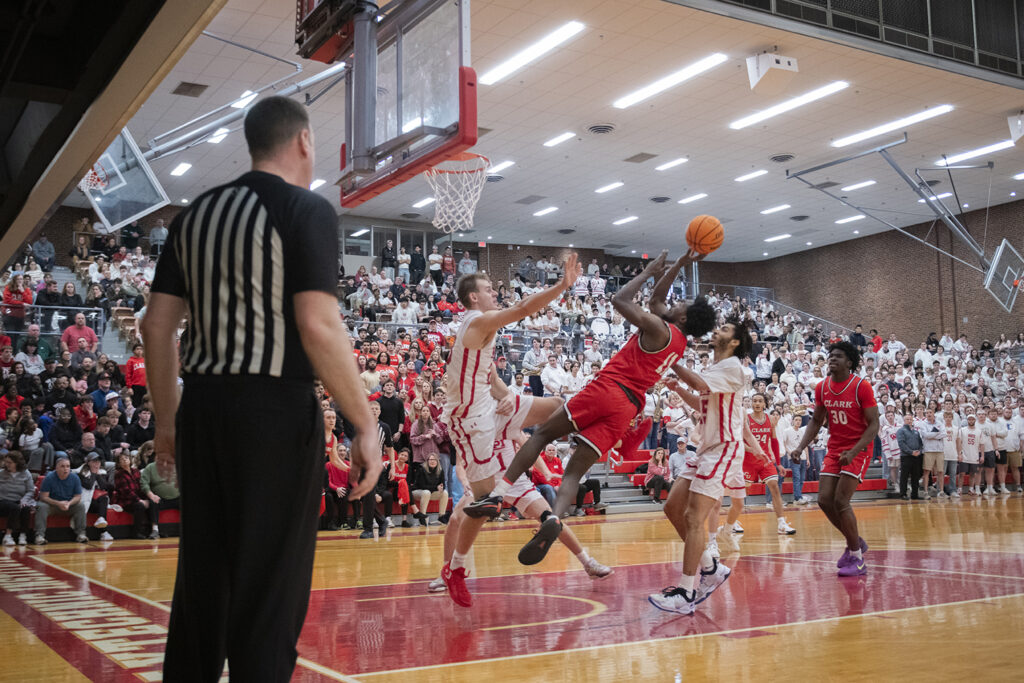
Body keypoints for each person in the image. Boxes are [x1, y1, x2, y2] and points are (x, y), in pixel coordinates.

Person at [143, 96, 382, 682]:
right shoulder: (306, 209)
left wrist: (168, 423)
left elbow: (155, 326)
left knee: (203, 581)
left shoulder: (195, 215)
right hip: (273, 412)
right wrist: (364, 423)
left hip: (202, 409)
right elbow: (318, 325)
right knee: (270, 588)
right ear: (303, 141)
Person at [465, 251, 715, 568]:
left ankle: (497, 494)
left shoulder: (658, 328)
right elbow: (656, 301)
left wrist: (647, 271)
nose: (676, 303)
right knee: (574, 471)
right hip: (627, 408)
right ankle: (554, 518)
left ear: (684, 318)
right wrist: (678, 264)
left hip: (608, 389)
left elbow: (620, 300)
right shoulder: (677, 343)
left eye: (683, 305)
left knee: (541, 435)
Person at [436, 251, 581, 605]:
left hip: (491, 408)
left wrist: (507, 397)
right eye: (488, 289)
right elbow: (523, 309)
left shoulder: (481, 330)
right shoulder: (477, 322)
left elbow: (489, 376)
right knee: (485, 503)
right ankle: (455, 570)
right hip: (470, 421)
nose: (494, 293)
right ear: (474, 297)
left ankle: (568, 445)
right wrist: (562, 286)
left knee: (559, 406)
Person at [429, 372, 612, 602]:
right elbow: (461, 462)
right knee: (456, 520)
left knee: (550, 519)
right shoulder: (465, 421)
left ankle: (588, 562)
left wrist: (546, 473)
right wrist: (465, 483)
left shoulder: (505, 413)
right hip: (483, 481)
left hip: (513, 478)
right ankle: (447, 573)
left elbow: (528, 444)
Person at [648, 317, 754, 615]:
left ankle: (686, 592)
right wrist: (679, 389)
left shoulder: (733, 366)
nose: (717, 329)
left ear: (734, 342)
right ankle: (711, 568)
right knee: (672, 507)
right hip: (707, 448)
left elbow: (698, 383)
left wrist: (671, 359)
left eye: (725, 329)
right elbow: (702, 403)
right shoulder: (716, 368)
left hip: (723, 447)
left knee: (694, 518)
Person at [789, 341, 879, 577]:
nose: (832, 359)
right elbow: (816, 421)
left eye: (838, 356)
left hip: (859, 448)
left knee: (841, 501)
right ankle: (854, 541)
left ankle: (857, 558)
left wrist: (854, 451)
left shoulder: (861, 387)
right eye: (830, 356)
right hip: (836, 447)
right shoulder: (822, 387)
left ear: (849, 362)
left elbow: (874, 425)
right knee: (823, 500)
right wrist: (800, 447)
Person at [733, 393, 797, 535]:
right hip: (748, 461)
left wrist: (778, 463)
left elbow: (774, 441)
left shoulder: (771, 419)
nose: (757, 403)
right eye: (754, 401)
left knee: (774, 487)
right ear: (751, 403)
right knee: (743, 493)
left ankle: (781, 523)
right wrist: (753, 450)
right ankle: (733, 522)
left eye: (760, 401)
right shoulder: (746, 419)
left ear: (765, 404)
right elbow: (739, 441)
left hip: (765, 460)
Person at [35, 455, 87, 544]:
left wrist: (69, 503)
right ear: (56, 468)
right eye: (62, 466)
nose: (65, 469)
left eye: (68, 466)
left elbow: (78, 496)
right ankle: (39, 536)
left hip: (68, 505)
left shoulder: (75, 478)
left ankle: (81, 534)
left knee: (80, 506)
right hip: (52, 505)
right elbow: (43, 497)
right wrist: (58, 503)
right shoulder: (49, 478)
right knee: (41, 506)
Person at [0, 451, 34, 546]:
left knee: (26, 508)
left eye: (9, 462)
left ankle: (23, 535)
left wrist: (24, 500)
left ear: (17, 463)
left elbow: (30, 490)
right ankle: (7, 536)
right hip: (3, 501)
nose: (7, 464)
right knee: (15, 508)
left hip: (18, 500)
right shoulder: (1, 473)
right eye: (6, 462)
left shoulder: (26, 473)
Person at [896, 414, 923, 499]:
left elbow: (920, 443)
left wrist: (919, 451)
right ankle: (903, 494)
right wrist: (911, 452)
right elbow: (901, 444)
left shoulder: (916, 432)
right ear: (904, 421)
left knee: (916, 476)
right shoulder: (901, 431)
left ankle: (915, 494)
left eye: (911, 419)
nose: (909, 421)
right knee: (904, 476)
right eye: (907, 419)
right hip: (906, 456)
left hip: (916, 457)